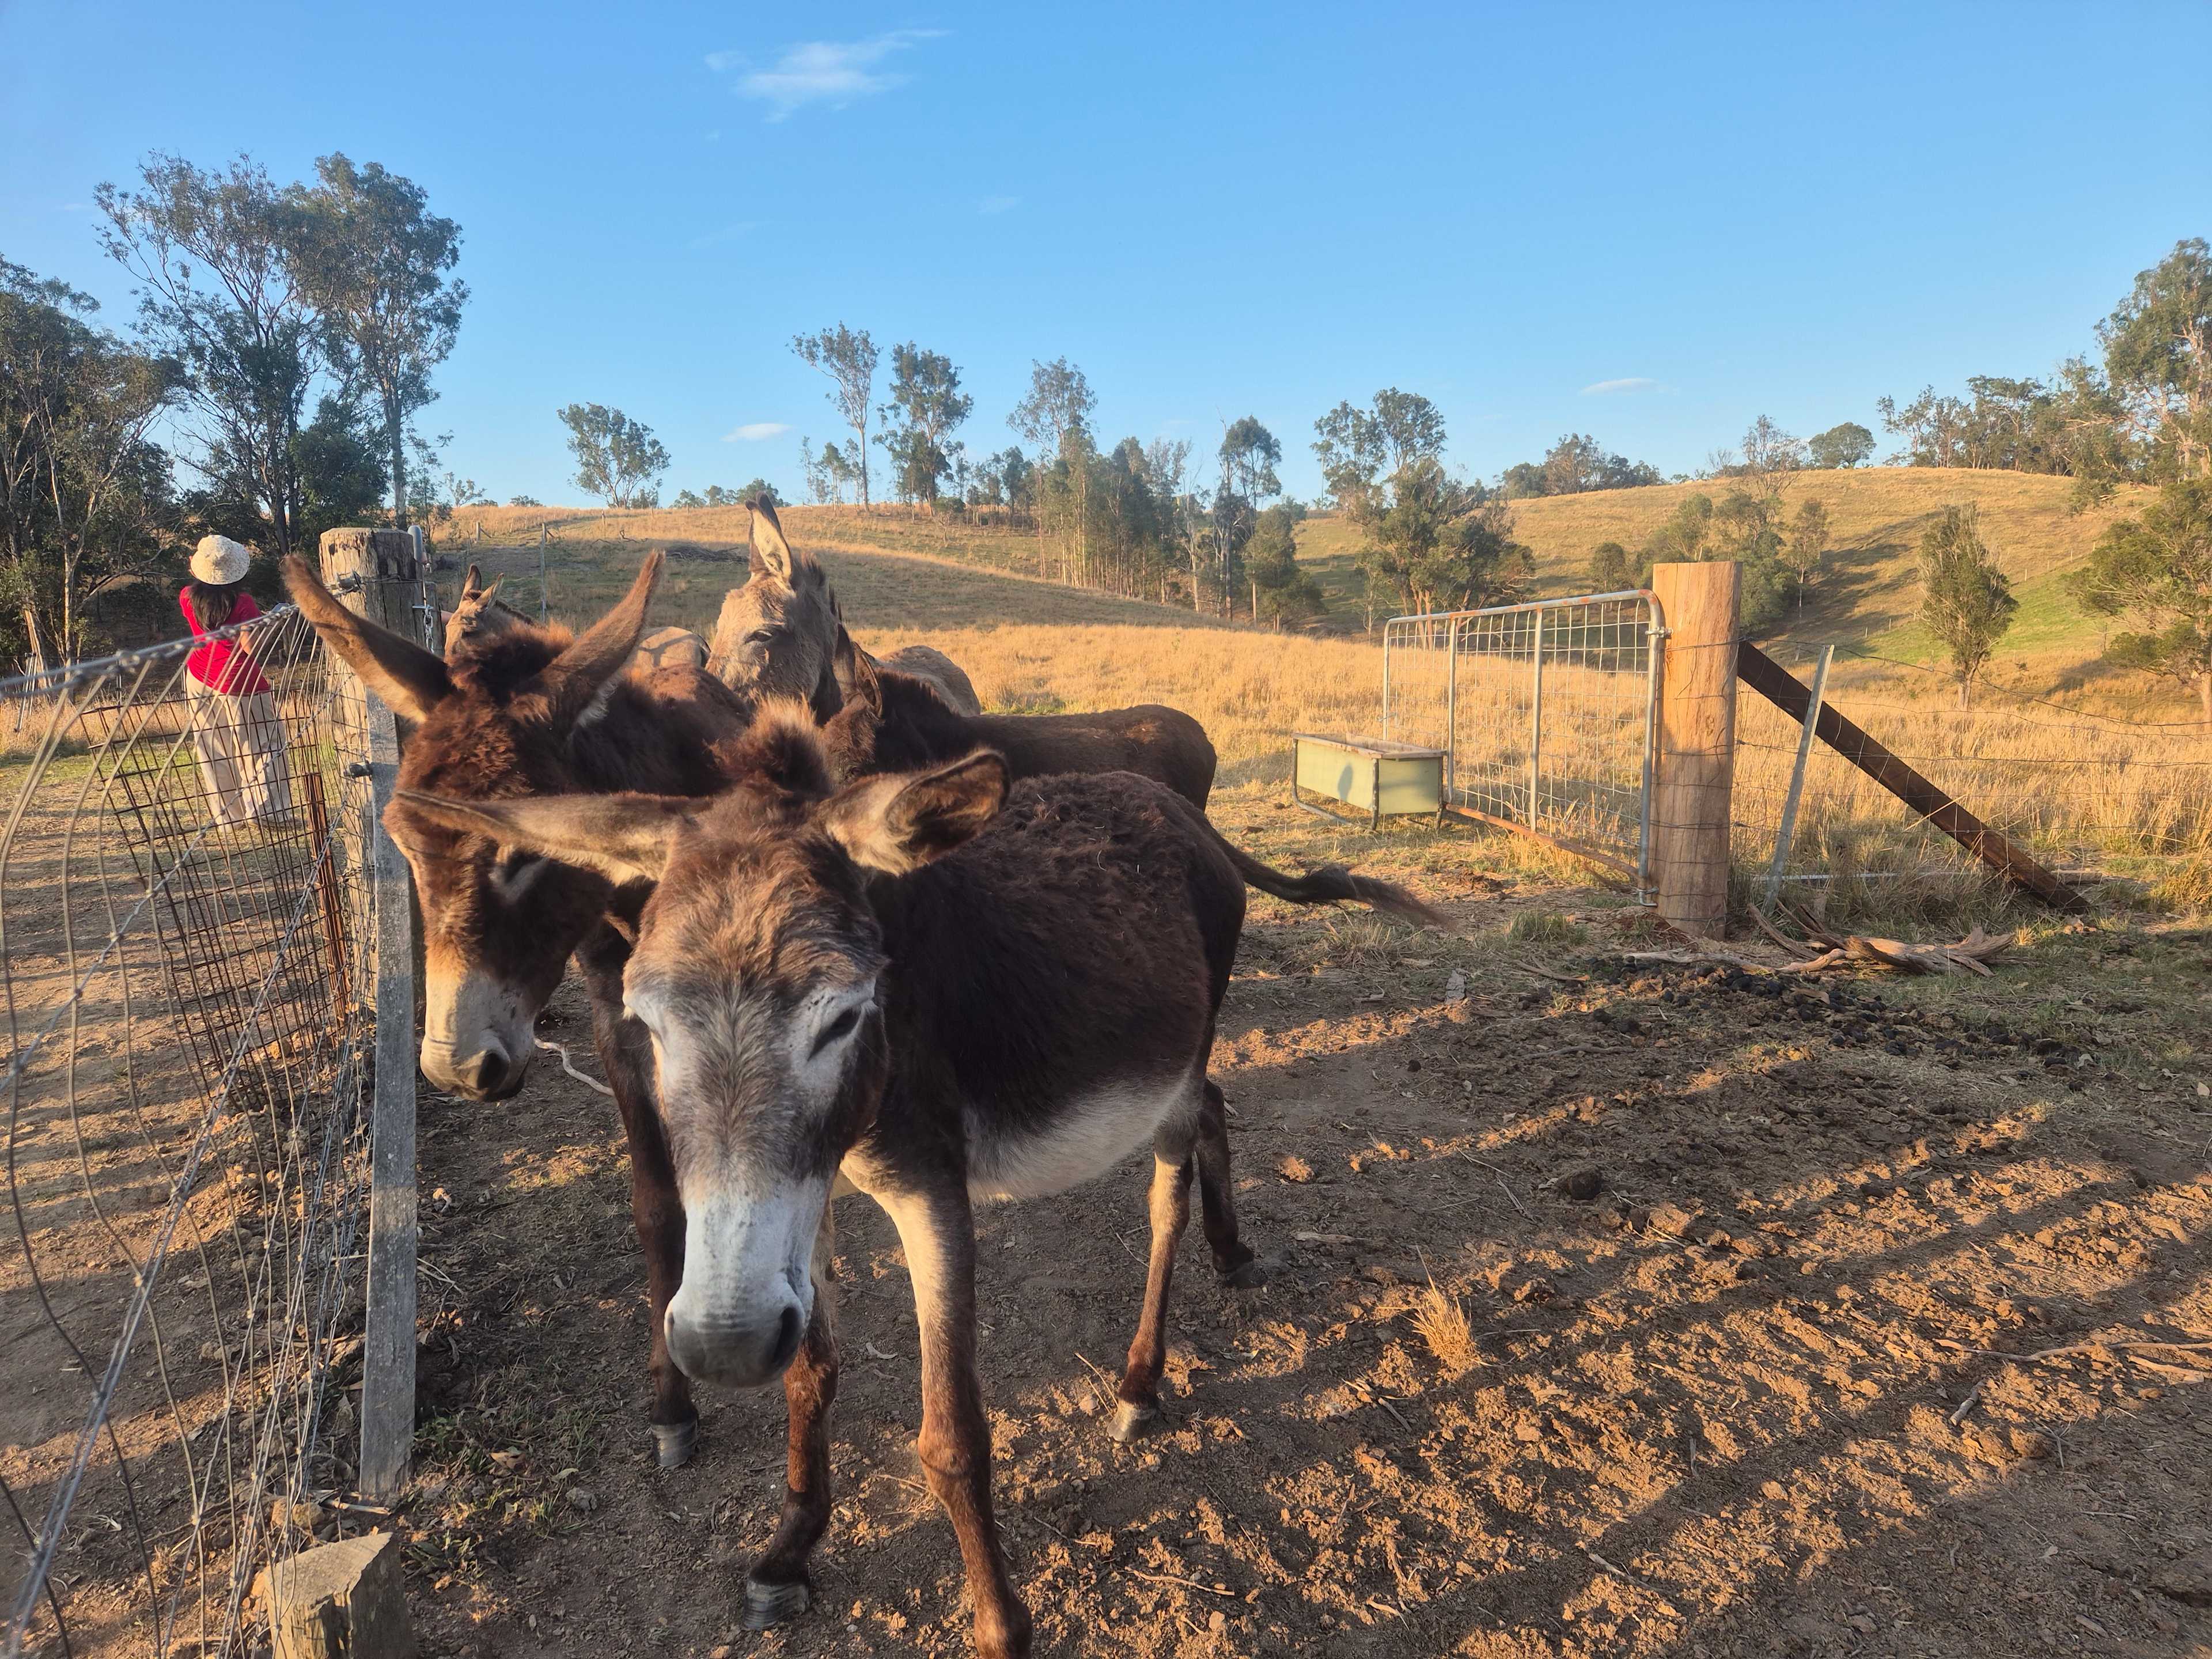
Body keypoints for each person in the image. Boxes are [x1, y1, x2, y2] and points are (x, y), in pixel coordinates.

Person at [180, 534, 294, 830]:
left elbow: (213, 626)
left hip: (198, 677)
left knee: (213, 748)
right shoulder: (243, 602)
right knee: (262, 746)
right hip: (240, 682)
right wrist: (271, 622)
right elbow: (250, 646)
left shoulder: (186, 596)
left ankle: (229, 817)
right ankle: (270, 812)